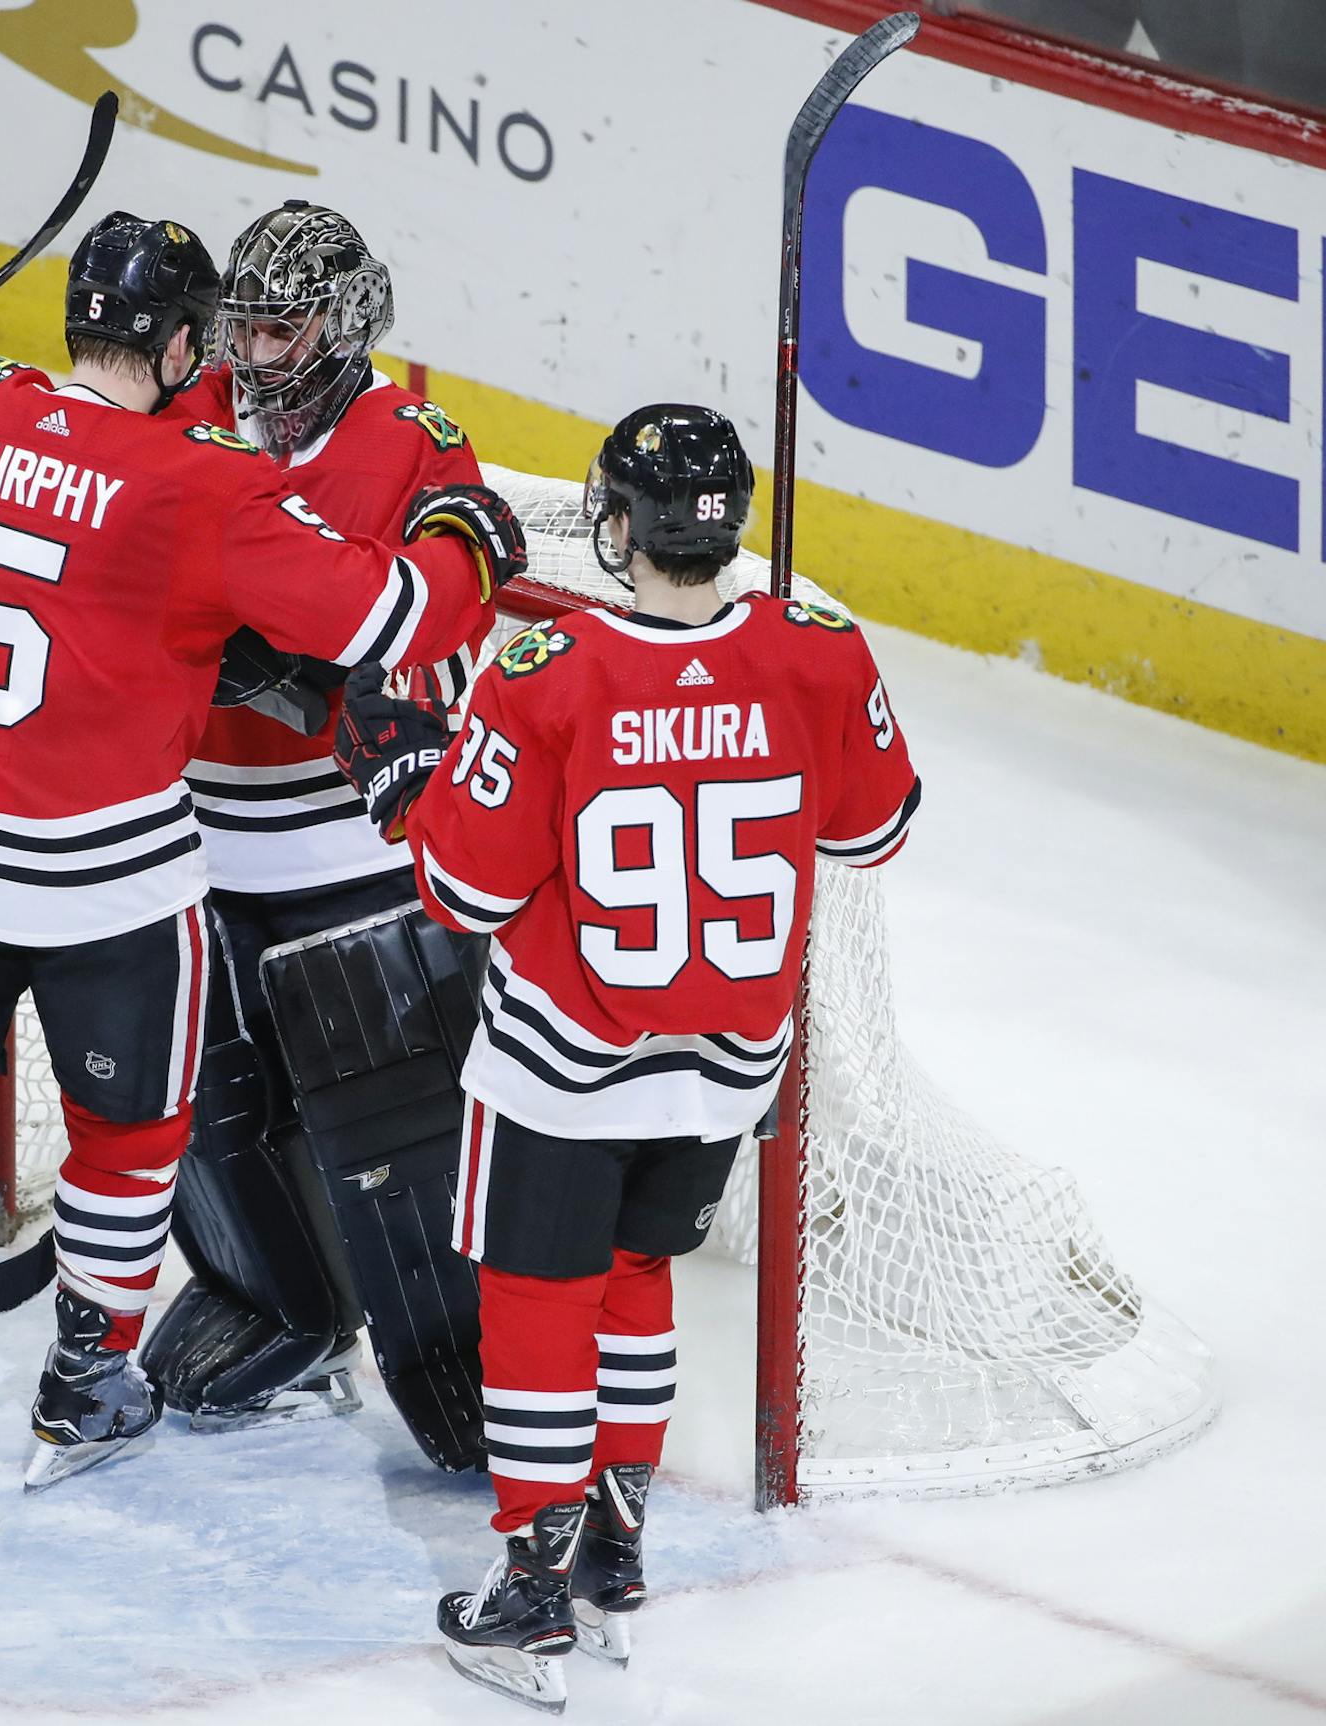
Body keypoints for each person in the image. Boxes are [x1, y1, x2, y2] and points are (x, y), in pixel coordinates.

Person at [0, 212, 521, 1509]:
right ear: (181, 343)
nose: (248, 354)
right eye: (229, 330)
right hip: (101, 864)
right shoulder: (201, 479)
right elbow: (392, 609)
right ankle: (89, 1384)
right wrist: (471, 550)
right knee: (134, 1132)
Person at [331, 405, 922, 1710]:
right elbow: (876, 829)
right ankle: (612, 1556)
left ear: (621, 524)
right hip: (727, 1066)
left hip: (568, 1061)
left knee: (540, 1298)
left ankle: (531, 1589)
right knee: (637, 1274)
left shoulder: (548, 668)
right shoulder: (819, 647)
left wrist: (411, 779)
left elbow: (467, 892)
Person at [135, 200, 498, 1454]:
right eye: (240, 327)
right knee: (192, 1105)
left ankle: (473, 1374)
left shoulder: (411, 440)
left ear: (344, 325)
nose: (253, 354)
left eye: (280, 329)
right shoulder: (189, 409)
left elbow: (449, 608)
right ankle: (282, 1305)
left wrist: (304, 672)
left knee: (392, 1140)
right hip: (193, 842)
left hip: (351, 857)